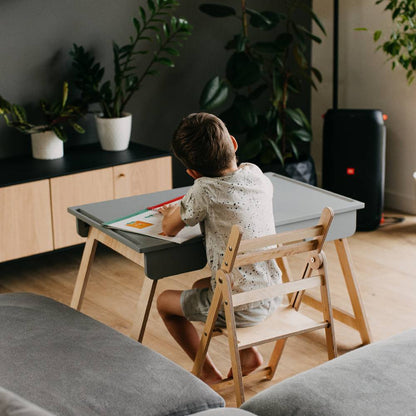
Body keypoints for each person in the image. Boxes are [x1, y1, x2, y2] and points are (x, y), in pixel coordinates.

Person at [156, 112, 282, 384]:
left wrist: (169, 212)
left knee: (164, 302)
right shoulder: (256, 175)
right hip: (273, 293)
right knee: (202, 284)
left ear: (192, 173)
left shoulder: (203, 190)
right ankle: (248, 357)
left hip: (239, 306)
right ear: (234, 144)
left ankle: (207, 372)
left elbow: (170, 228)